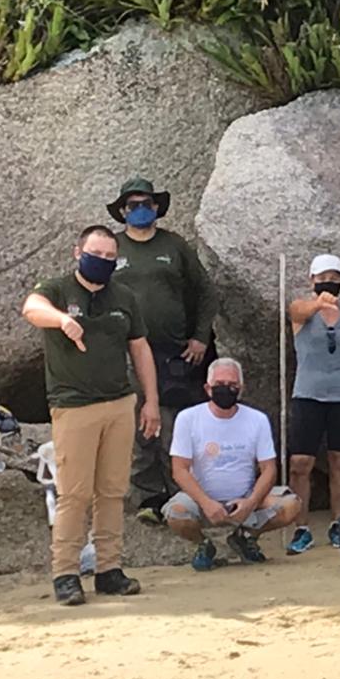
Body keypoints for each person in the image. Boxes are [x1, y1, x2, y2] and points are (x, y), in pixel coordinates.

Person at [21, 224, 161, 606]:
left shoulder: (125, 297)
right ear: (77, 252)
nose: (101, 262)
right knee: (74, 493)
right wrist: (62, 320)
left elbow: (140, 349)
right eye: (95, 254)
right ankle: (66, 573)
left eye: (110, 257)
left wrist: (150, 400)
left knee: (113, 491)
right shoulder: (57, 289)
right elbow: (31, 308)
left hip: (118, 404)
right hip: (73, 405)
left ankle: (108, 569)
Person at [106, 177, 218, 526]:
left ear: (156, 207)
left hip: (174, 351)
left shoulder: (174, 246)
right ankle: (148, 497)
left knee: (173, 423)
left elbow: (206, 292)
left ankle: (181, 496)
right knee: (141, 423)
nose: (140, 210)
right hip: (128, 350)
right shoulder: (115, 249)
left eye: (146, 203)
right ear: (123, 211)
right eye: (132, 205)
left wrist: (200, 337)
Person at [163, 358, 301, 569]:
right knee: (175, 513)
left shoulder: (257, 420)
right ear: (208, 388)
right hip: (201, 497)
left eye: (232, 385)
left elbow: (269, 469)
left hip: (244, 496)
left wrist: (251, 502)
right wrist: (206, 503)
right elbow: (179, 470)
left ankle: (246, 537)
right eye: (219, 385)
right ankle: (204, 544)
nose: (226, 390)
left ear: (241, 388)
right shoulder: (188, 418)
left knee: (290, 505)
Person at [284, 254, 340, 554]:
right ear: (312, 279)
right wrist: (319, 303)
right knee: (301, 463)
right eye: (324, 277)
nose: (330, 283)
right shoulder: (302, 310)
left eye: (336, 278)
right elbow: (297, 311)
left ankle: (339, 522)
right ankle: (301, 526)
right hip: (308, 394)